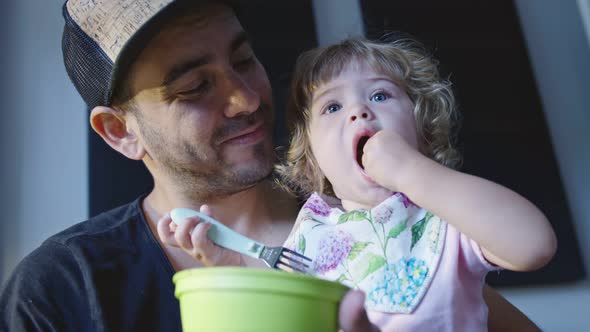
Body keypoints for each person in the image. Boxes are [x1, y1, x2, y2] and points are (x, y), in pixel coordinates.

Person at [0, 0, 542, 331]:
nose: (245, 98)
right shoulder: (63, 288)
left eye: (242, 59)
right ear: (120, 132)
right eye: (195, 87)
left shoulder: (368, 228)